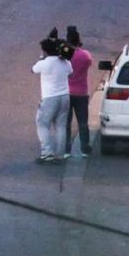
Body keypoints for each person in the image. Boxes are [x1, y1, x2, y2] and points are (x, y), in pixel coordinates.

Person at [32, 35, 72, 164]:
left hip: (50, 98)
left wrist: (43, 59)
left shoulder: (45, 63)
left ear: (45, 51)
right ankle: (60, 155)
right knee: (61, 126)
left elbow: (33, 70)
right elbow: (70, 72)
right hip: (65, 96)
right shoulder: (66, 62)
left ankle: (47, 153)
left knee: (42, 124)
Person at [65, 25, 93, 157]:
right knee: (83, 122)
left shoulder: (65, 56)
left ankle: (66, 149)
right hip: (81, 93)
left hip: (67, 92)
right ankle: (85, 148)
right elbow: (89, 63)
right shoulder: (85, 56)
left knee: (66, 122)